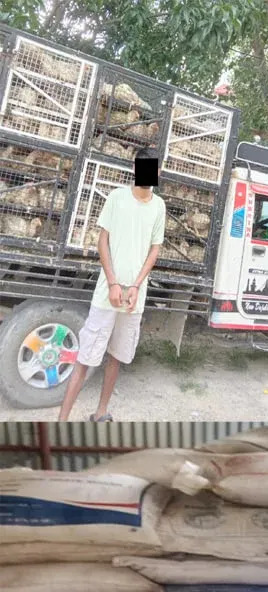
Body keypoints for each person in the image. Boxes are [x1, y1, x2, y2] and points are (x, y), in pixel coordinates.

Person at [58, 147, 166, 421]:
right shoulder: (117, 198)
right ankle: (61, 421)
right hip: (108, 293)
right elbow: (102, 240)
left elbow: (154, 249)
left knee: (116, 357)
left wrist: (136, 286)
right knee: (86, 357)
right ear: (136, 169)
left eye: (154, 169)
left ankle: (101, 412)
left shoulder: (158, 206)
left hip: (133, 299)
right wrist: (113, 282)